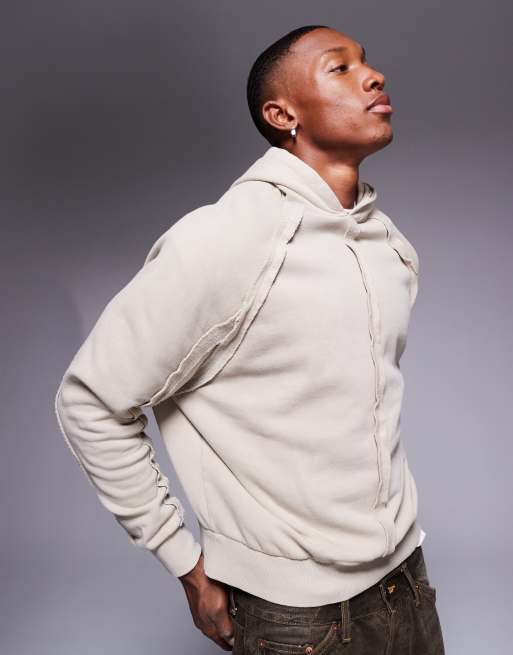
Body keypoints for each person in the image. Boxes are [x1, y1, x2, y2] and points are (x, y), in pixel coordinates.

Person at [54, 24, 446, 654]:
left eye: (367, 63)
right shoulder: (227, 239)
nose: (374, 77)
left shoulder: (388, 245)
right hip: (301, 619)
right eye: (340, 68)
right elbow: (90, 401)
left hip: (408, 580)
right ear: (282, 114)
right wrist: (183, 561)